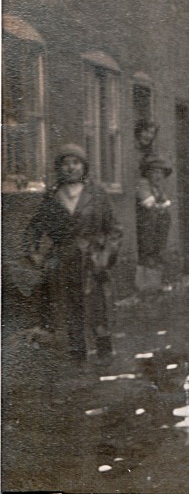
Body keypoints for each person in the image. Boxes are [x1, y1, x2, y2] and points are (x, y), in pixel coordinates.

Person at [24, 144, 123, 362]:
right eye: (66, 164)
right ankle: (78, 358)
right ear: (60, 168)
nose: (71, 168)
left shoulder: (97, 194)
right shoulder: (52, 197)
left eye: (76, 163)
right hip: (63, 260)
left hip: (92, 260)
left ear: (84, 166)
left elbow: (114, 229)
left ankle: (105, 357)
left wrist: (105, 256)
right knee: (70, 309)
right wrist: (36, 255)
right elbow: (35, 228)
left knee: (97, 309)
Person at [136, 155, 173, 268]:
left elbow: (165, 201)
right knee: (151, 218)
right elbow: (148, 202)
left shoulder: (157, 187)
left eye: (160, 173)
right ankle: (148, 255)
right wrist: (159, 206)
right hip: (144, 223)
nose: (158, 176)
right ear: (147, 173)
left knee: (165, 216)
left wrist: (162, 205)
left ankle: (158, 252)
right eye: (155, 172)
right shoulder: (143, 184)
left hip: (155, 222)